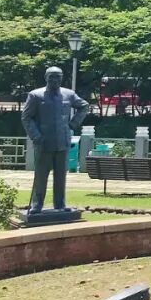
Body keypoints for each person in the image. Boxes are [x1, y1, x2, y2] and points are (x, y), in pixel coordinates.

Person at [21, 66, 89, 213]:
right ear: (46, 77)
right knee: (41, 176)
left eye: (58, 76)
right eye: (51, 76)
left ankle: (60, 204)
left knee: (60, 176)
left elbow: (84, 106)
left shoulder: (68, 94)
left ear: (62, 78)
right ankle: (37, 204)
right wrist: (36, 136)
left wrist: (73, 124)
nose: (55, 79)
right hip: (43, 142)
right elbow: (26, 117)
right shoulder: (35, 95)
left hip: (62, 142)